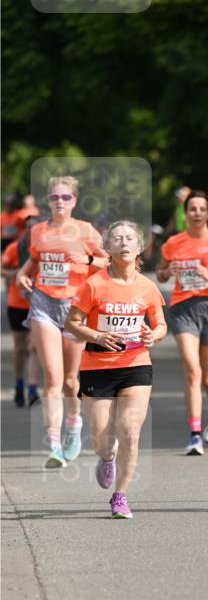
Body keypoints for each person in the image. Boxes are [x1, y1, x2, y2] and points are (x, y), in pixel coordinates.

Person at [64, 221, 167, 519]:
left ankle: (120, 496)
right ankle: (107, 457)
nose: (124, 243)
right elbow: (72, 322)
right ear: (107, 248)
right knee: (103, 440)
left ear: (139, 247)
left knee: (131, 431)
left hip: (136, 365)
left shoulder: (147, 287)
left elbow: (160, 324)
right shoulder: (93, 284)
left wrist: (154, 335)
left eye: (130, 238)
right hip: (97, 367)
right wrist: (97, 336)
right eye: (117, 239)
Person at [16, 176, 106, 468]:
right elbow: (35, 260)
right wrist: (22, 274)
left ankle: (74, 424)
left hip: (74, 307)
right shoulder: (38, 230)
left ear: (74, 201)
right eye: (55, 197)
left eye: (66, 197)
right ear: (48, 200)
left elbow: (107, 261)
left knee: (70, 381)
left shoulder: (85, 230)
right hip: (43, 303)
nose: (60, 202)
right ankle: (54, 445)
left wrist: (87, 260)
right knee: (52, 379)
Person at [156, 190, 208, 455]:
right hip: (182, 309)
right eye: (192, 209)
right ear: (186, 212)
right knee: (193, 371)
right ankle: (194, 435)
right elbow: (160, 274)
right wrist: (167, 272)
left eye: (202, 209)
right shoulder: (174, 242)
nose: (197, 213)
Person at [1, 216, 41, 406]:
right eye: (29, 227)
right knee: (20, 349)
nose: (33, 231)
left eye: (37, 228)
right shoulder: (14, 248)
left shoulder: (47, 249)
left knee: (34, 347)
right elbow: (2, 269)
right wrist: (17, 273)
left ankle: (32, 389)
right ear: (24, 229)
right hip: (17, 304)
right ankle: (19, 384)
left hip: (39, 304)